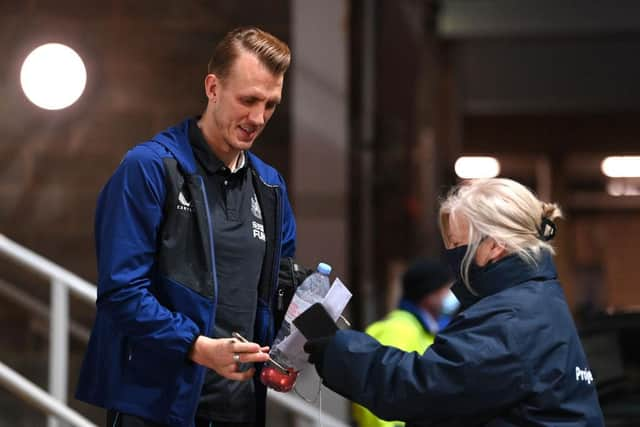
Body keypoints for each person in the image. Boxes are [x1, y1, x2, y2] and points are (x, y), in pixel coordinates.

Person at [76, 27, 298, 427]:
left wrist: (293, 345)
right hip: (155, 409)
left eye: (270, 105)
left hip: (239, 410)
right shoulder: (147, 169)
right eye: (247, 100)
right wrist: (195, 346)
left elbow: (278, 289)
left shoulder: (270, 186)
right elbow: (121, 292)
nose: (257, 118)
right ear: (212, 87)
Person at [305, 178, 605, 426]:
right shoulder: (536, 299)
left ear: (495, 245)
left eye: (458, 245)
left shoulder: (511, 318)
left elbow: (423, 389)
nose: (451, 257)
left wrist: (336, 348)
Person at [352, 259, 454, 427]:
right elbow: (378, 392)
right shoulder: (398, 330)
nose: (451, 296)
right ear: (429, 294)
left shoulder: (424, 331)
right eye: (446, 289)